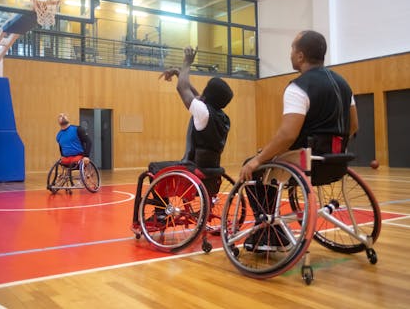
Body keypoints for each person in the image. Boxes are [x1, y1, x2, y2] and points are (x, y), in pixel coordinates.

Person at [239, 30, 359, 251]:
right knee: (266, 154)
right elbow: (353, 126)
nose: (291, 54)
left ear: (301, 56)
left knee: (255, 165)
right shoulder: (344, 84)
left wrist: (257, 159)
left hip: (306, 163)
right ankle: (271, 232)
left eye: (293, 49)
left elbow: (287, 135)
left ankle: (270, 234)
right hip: (336, 163)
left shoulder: (298, 87)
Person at [131, 46, 233, 229]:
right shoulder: (222, 117)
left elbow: (182, 88)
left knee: (153, 167)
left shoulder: (203, 112)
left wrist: (187, 62)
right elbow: (197, 96)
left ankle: (161, 214)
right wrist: (179, 72)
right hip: (212, 169)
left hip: (193, 168)